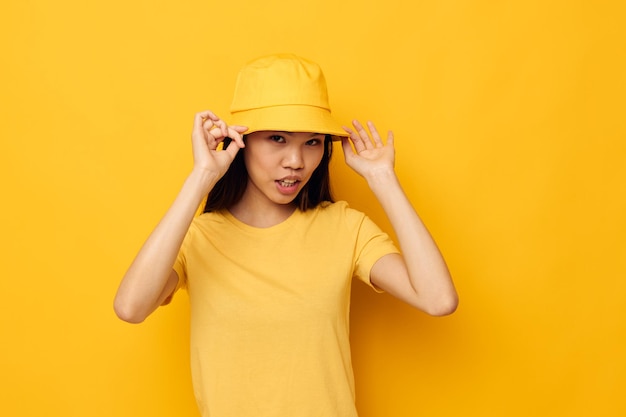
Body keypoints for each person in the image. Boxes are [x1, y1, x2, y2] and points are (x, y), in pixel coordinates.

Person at [114, 53, 458, 417]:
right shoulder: (198, 238)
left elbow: (438, 299)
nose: (296, 161)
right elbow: (131, 307)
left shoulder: (344, 227)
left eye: (312, 142)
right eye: (278, 138)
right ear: (239, 141)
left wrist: (383, 179)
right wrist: (201, 176)